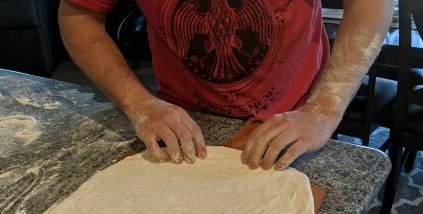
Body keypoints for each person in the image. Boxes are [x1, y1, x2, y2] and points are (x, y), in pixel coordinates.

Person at [58, 0, 393, 170]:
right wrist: (139, 104)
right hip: (185, 122)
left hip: (295, 120)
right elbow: (77, 16)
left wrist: (323, 110)